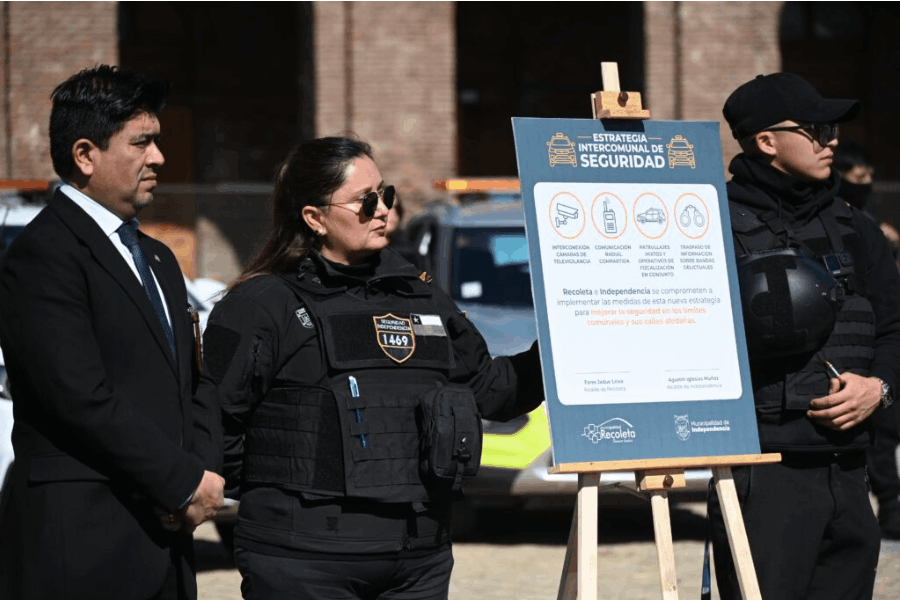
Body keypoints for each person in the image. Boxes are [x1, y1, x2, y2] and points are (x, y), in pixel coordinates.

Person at [197, 136, 543, 600]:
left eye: (385, 194)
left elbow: (491, 391)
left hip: (418, 559)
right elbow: (214, 423)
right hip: (304, 559)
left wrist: (555, 353)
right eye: (365, 201)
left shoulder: (419, 295)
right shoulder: (262, 304)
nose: (382, 209)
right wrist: (290, 489)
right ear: (314, 218)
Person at [0, 65, 224, 600]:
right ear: (85, 155)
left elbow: (193, 384)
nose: (159, 158)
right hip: (82, 544)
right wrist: (179, 483)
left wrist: (200, 475)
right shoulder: (42, 255)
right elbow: (77, 396)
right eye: (141, 142)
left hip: (166, 543)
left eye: (158, 141)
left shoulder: (160, 259)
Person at [708, 72, 900, 600]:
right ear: (766, 141)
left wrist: (878, 386)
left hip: (849, 466)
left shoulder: (855, 227)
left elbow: (893, 328)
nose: (832, 138)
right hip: (762, 470)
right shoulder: (706, 225)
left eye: (832, 126)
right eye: (816, 128)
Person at [834, 140, 900, 539]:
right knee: (881, 434)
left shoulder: (870, 220)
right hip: (862, 344)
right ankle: (890, 506)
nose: (868, 183)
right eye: (860, 177)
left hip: (887, 336)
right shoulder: (843, 220)